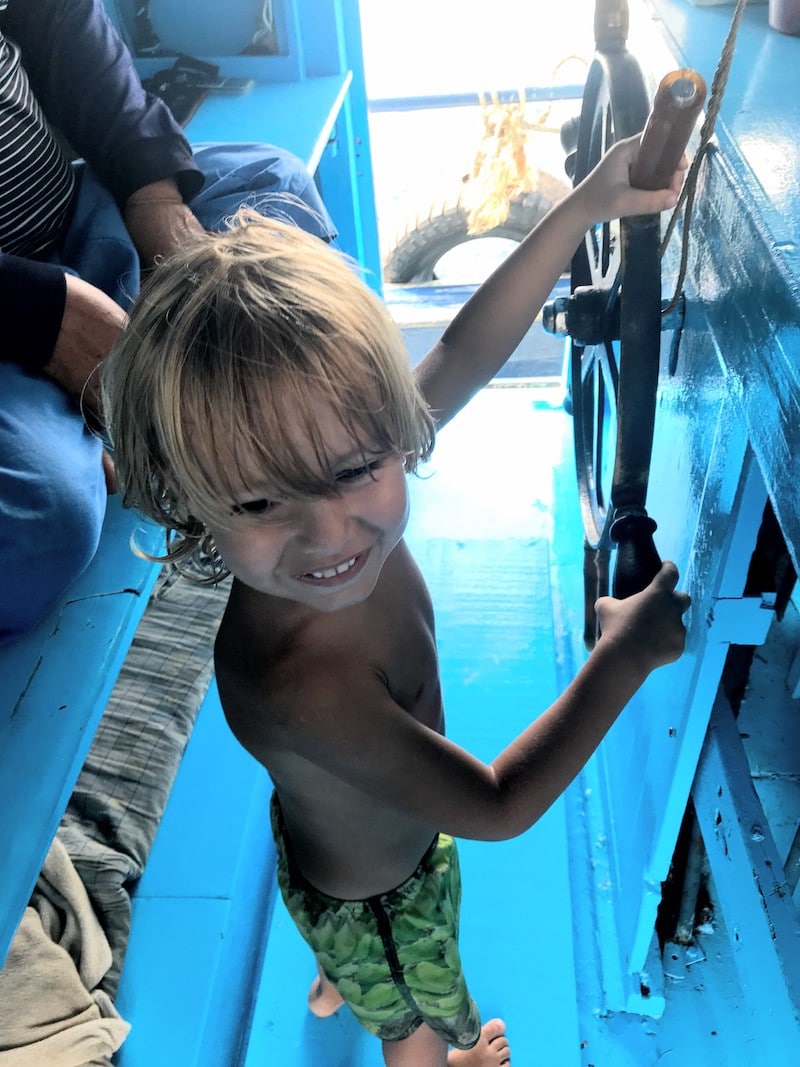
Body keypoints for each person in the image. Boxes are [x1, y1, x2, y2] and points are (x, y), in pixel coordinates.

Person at [102, 136, 691, 1067]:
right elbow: (496, 805)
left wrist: (583, 205)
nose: (330, 532)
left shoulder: (343, 442)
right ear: (187, 499)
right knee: (414, 1021)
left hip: (333, 854)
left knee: (345, 942)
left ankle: (335, 974)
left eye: (354, 471)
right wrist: (623, 651)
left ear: (386, 432)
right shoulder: (304, 684)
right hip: (387, 895)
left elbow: (461, 350)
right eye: (257, 504)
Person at [0, 0, 334, 645]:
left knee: (276, 191)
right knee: (42, 519)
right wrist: (42, 314)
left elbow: (56, 17)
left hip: (76, 220)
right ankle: (89, 427)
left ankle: (112, 422)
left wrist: (154, 198)